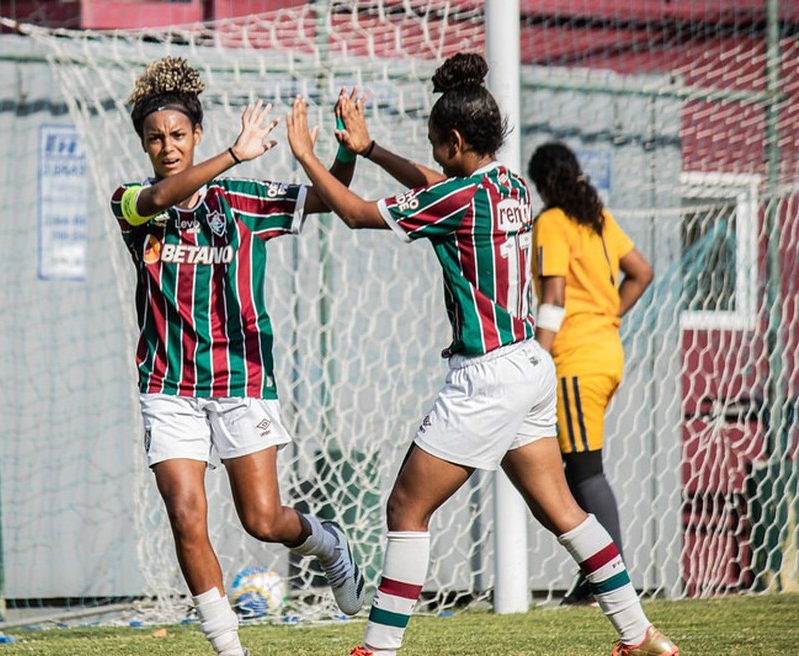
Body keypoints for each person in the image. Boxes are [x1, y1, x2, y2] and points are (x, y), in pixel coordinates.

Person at [284, 52, 678, 656]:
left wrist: (309, 155)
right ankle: (638, 632)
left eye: (436, 142)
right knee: (562, 510)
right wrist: (370, 150)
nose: (433, 152)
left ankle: (378, 649)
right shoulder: (510, 184)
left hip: (487, 375)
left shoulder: (462, 197)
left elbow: (361, 215)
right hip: (531, 366)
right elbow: (432, 182)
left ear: (456, 140)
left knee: (406, 507)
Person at [110, 57, 364, 656]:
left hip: (240, 381)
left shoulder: (243, 202)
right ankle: (229, 648)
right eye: (155, 138)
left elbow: (331, 198)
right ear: (144, 145)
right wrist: (231, 153)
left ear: (194, 133)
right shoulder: (132, 203)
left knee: (263, 520)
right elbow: (164, 196)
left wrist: (343, 151)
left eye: (178, 135)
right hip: (167, 387)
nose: (168, 147)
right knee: (185, 514)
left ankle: (327, 543)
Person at [527, 142, 655, 606]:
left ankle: (607, 578)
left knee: (585, 471)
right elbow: (641, 271)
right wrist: (609, 317)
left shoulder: (552, 222)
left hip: (577, 360)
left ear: (541, 183)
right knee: (576, 468)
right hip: (606, 352)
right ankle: (597, 574)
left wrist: (537, 358)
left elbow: (554, 296)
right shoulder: (595, 220)